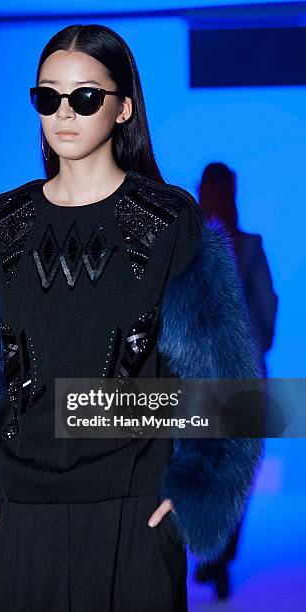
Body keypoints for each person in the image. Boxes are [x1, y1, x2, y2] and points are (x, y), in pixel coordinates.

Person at [0, 24, 265, 612]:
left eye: (86, 96)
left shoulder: (170, 223)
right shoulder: (4, 223)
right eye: (48, 96)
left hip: (131, 518)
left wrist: (193, 496)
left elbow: (230, 388)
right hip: (17, 516)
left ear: (124, 108)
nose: (64, 113)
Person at [193, 162, 278, 599]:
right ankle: (218, 555)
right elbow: (266, 315)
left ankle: (216, 554)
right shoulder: (242, 247)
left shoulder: (191, 248)